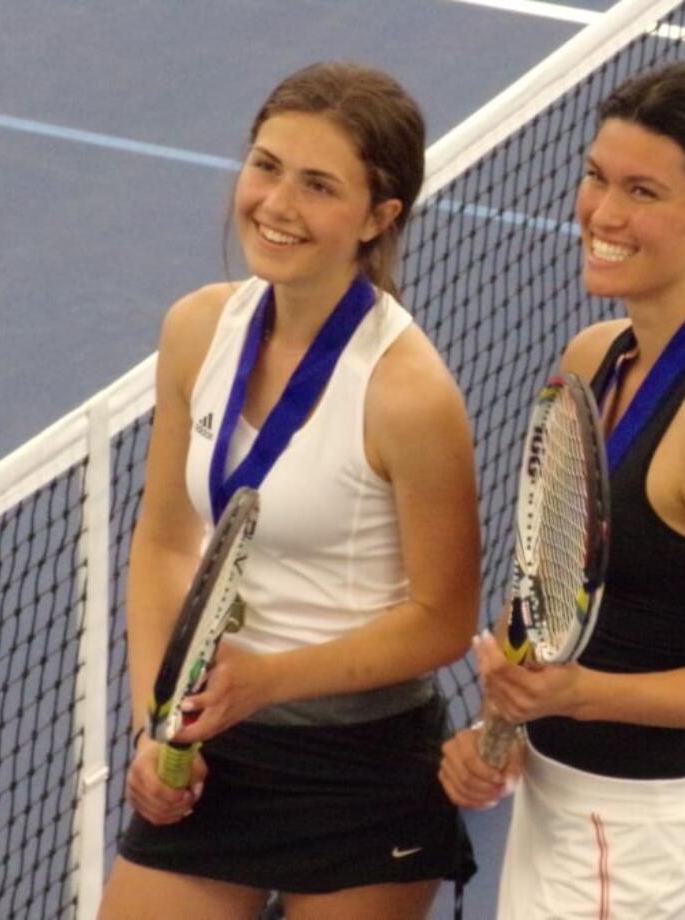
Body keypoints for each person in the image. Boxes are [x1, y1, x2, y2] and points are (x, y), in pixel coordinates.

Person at [98, 61, 480, 920]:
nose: (276, 203)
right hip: (217, 750)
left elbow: (444, 620)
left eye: (318, 185)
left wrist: (268, 679)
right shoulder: (198, 330)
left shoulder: (408, 395)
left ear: (379, 218)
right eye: (267, 165)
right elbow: (163, 540)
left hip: (363, 772)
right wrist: (158, 719)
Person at [438, 62, 685, 918]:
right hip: (560, 810)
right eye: (597, 177)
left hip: (641, 850)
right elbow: (543, 590)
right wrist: (497, 735)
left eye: (643, 191)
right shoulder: (593, 358)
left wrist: (580, 696)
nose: (603, 214)